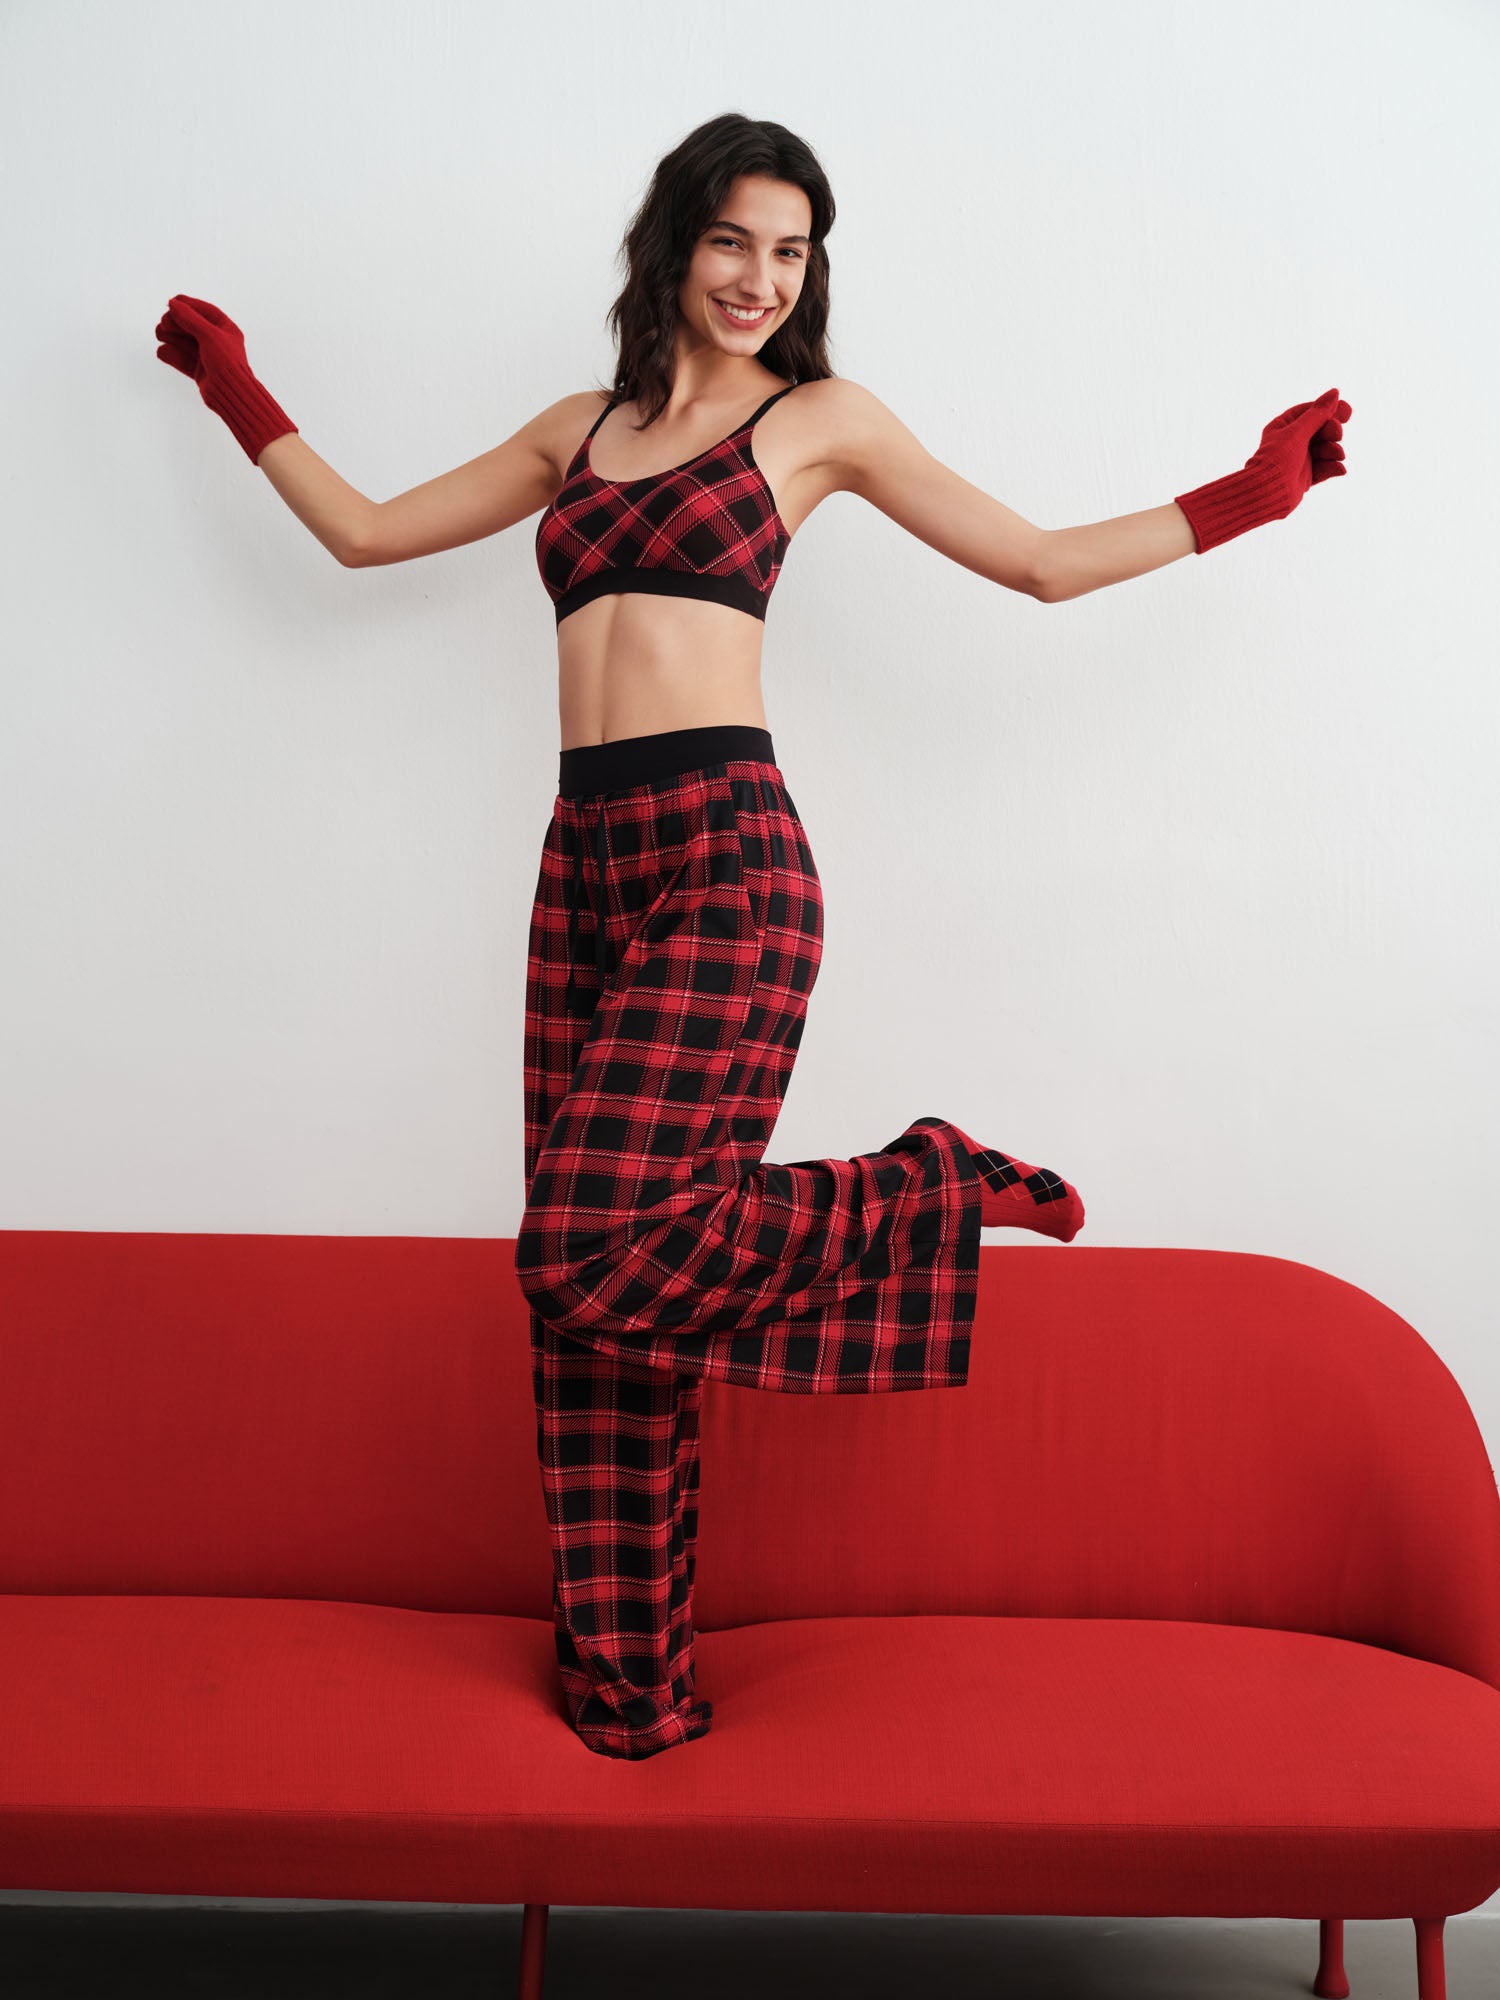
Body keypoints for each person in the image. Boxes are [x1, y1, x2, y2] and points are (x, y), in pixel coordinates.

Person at [154, 111, 1351, 1762]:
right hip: (584, 862)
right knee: (585, 1306)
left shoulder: (821, 422)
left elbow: (1040, 564)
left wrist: (1246, 496)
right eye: (735, 243)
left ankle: (926, 1183)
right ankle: (633, 1688)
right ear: (675, 243)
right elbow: (361, 532)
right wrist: (237, 392)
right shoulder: (575, 430)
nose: (760, 279)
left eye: (791, 253)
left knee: (583, 1240)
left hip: (728, 854)